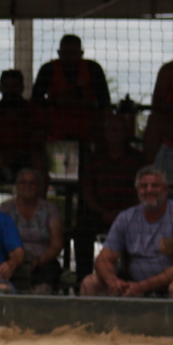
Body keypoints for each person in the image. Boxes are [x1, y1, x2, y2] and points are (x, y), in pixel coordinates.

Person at [79, 165, 173, 298]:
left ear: (166, 189)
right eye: (143, 186)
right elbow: (102, 260)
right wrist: (113, 281)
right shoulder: (126, 217)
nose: (149, 190)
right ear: (137, 190)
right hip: (132, 281)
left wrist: (142, 287)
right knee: (89, 282)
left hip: (172, 282)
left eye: (155, 185)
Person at [73, 108, 145, 279]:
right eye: (110, 129)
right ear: (104, 133)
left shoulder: (138, 159)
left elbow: (143, 192)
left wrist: (124, 213)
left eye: (118, 129)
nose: (114, 133)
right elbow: (87, 191)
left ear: (126, 132)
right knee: (81, 230)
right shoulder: (94, 158)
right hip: (100, 213)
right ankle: (82, 278)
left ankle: (132, 276)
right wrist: (102, 212)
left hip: (130, 214)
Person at [31, 35, 110, 145]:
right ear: (59, 53)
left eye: (73, 52)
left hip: (87, 130)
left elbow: (105, 102)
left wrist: (85, 103)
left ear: (81, 53)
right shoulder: (48, 69)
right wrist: (56, 101)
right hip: (56, 131)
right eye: (65, 52)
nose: (69, 57)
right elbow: (35, 101)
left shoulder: (93, 68)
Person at [0, 167, 63, 294]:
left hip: (43, 262)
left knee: (45, 283)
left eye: (32, 183)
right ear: (17, 185)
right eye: (23, 182)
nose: (27, 186)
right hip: (12, 261)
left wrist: (40, 261)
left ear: (38, 187)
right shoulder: (5, 209)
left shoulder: (50, 210)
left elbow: (57, 244)